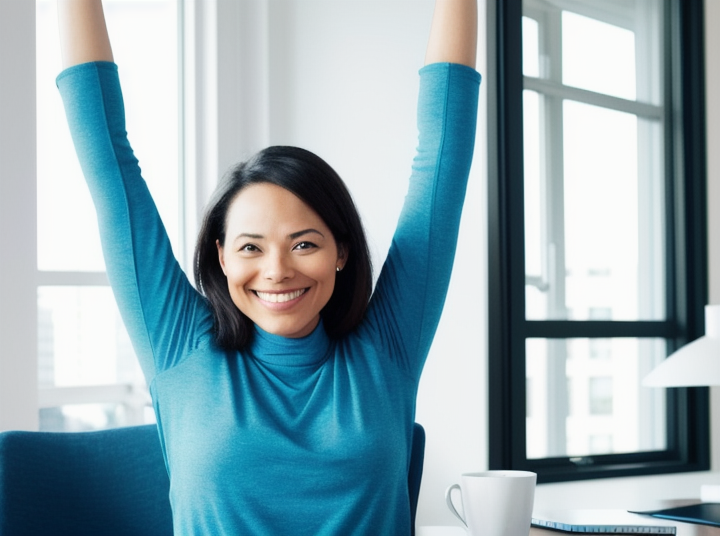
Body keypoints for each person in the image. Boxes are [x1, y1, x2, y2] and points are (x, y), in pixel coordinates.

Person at [56, 0, 480, 534]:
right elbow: (107, 157)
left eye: (304, 244)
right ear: (221, 256)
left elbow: (443, 153)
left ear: (341, 251)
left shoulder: (386, 350)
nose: (277, 271)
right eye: (251, 248)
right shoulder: (179, 345)